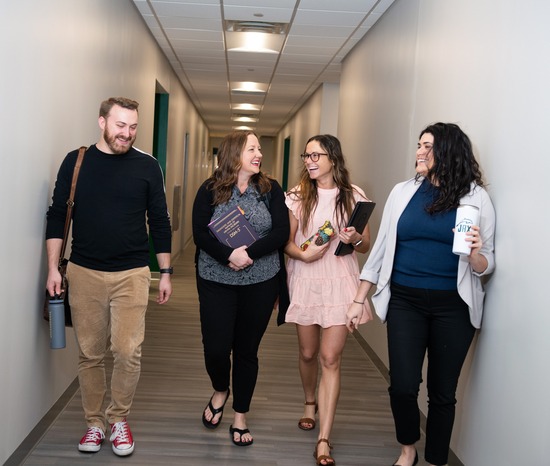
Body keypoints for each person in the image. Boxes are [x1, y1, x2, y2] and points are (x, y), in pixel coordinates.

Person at [346, 123, 496, 466]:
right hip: (405, 301)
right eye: (418, 145)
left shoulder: (476, 198)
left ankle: (437, 459)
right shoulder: (403, 192)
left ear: (446, 151)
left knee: (443, 393)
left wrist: (475, 254)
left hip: (454, 307)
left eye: (426, 146)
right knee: (402, 384)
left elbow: (488, 263)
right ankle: (408, 449)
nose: (418, 152)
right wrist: (359, 299)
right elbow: (381, 250)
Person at [45, 97, 172, 457]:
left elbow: (160, 221)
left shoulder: (148, 166)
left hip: (132, 272)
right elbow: (57, 216)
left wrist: (164, 271)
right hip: (84, 272)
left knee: (128, 350)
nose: (127, 134)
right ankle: (93, 424)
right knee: (89, 353)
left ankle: (118, 419)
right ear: (102, 122)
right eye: (120, 125)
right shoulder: (77, 161)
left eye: (133, 127)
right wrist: (53, 268)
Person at [192, 130, 290, 447]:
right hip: (216, 279)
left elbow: (281, 232)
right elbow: (200, 235)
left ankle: (240, 415)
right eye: (252, 148)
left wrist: (248, 254)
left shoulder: (270, 190)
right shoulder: (209, 190)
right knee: (216, 348)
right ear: (235, 153)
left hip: (260, 280)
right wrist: (228, 255)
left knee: (247, 351)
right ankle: (221, 388)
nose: (259, 153)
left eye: (260, 148)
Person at [284, 134, 372, 466]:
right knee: (307, 353)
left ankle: (324, 438)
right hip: (306, 279)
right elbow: (287, 244)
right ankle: (310, 401)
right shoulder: (295, 196)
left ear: (333, 159)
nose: (309, 160)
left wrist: (356, 237)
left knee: (329, 358)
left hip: (340, 282)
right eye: (306, 155)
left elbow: (365, 246)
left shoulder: (354, 196)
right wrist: (303, 257)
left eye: (316, 155)